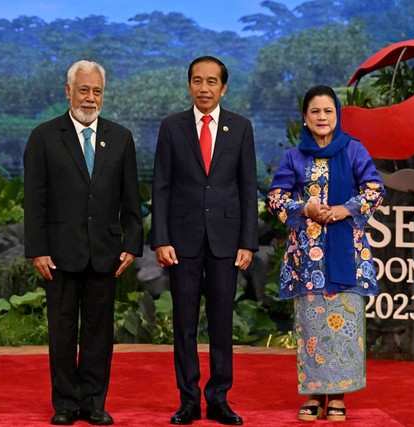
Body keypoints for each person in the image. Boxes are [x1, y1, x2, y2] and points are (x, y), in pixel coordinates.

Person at [24, 60, 143, 426]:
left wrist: (132, 243)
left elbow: (131, 199)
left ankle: (93, 401)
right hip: (58, 254)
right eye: (83, 90)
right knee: (61, 331)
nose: (90, 98)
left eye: (97, 91)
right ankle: (64, 403)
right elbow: (35, 201)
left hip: (105, 254)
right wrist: (37, 249)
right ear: (68, 92)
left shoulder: (120, 137)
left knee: (98, 333)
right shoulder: (44, 136)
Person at [150, 56, 259, 426]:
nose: (204, 88)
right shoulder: (171, 127)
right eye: (197, 81)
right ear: (189, 85)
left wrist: (248, 242)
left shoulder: (241, 128)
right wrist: (160, 238)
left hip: (227, 243)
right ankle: (189, 401)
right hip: (181, 243)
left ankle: (219, 399)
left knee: (221, 325)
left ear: (224, 88)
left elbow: (247, 187)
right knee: (184, 325)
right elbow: (161, 186)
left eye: (212, 81)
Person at [266, 85, 384, 422]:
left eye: (328, 111)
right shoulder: (294, 156)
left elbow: (374, 190)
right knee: (313, 326)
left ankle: (338, 397)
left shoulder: (354, 150)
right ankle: (315, 393)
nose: (321, 117)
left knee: (345, 325)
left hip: (348, 252)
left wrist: (347, 209)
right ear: (305, 117)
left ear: (337, 115)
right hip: (308, 259)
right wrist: (305, 207)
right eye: (315, 111)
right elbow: (275, 197)